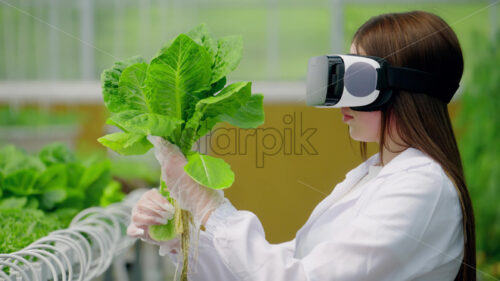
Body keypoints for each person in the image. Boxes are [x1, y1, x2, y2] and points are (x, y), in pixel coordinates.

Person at [127, 10, 475, 281]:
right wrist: (181, 236)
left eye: (354, 81)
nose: (341, 104)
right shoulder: (374, 176)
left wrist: (209, 207)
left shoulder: (421, 188)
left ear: (398, 87)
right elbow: (266, 271)